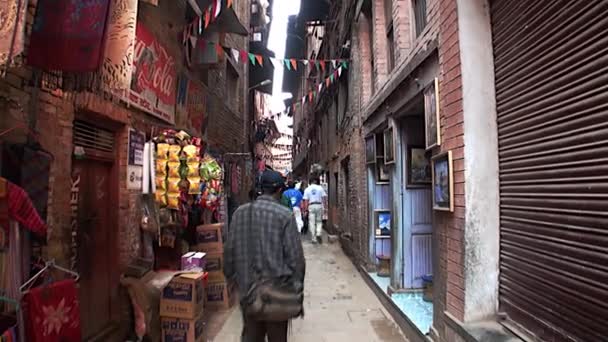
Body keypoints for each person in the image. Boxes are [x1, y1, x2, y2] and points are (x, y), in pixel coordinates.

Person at [224, 170, 306, 342]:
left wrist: (233, 282)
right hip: (277, 296)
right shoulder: (285, 216)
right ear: (279, 191)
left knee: (251, 336)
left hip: (248, 294)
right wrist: (296, 290)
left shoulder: (239, 213)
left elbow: (229, 253)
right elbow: (296, 260)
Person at [302, 177, 327, 244]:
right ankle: (318, 233)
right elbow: (324, 198)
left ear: (310, 182)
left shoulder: (307, 189)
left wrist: (305, 210)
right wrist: (324, 207)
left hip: (311, 206)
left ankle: (314, 238)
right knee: (319, 221)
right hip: (319, 205)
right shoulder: (320, 188)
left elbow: (306, 200)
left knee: (311, 222)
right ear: (316, 182)